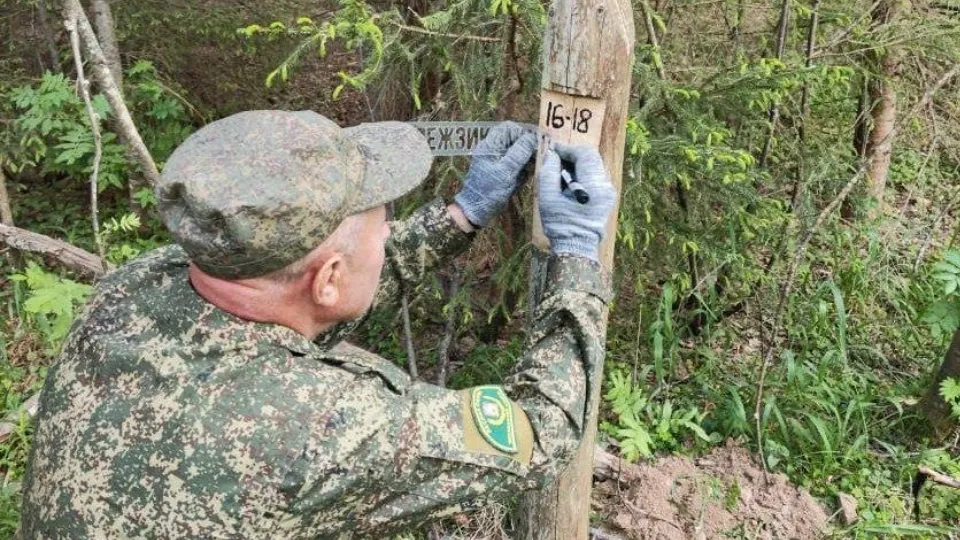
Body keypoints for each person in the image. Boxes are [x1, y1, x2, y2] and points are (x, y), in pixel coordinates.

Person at [20, 110, 616, 538]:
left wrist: (459, 217)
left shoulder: (137, 289)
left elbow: (298, 295)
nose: (388, 232)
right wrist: (578, 257)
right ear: (328, 277)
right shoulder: (319, 432)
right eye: (384, 225)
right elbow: (539, 431)